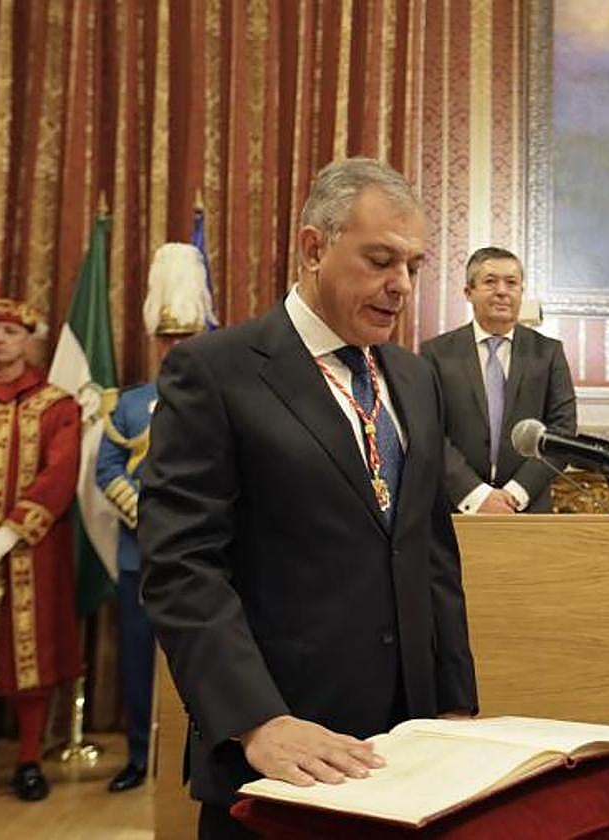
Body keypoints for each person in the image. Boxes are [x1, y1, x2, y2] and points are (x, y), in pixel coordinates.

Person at [138, 158, 477, 839]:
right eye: (380, 260)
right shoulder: (215, 371)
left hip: (408, 753)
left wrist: (455, 708)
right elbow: (182, 566)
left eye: (413, 266)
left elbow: (430, 555)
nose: (401, 285)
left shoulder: (415, 378)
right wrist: (256, 720)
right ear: (314, 248)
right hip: (279, 753)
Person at [0, 297, 82, 802]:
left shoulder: (55, 404)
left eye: (10, 332)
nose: (0, 339)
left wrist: (9, 533)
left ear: (28, 341)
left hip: (27, 551)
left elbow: (60, 472)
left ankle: (28, 759)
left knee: (29, 655)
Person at [96, 243, 213, 793]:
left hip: (205, 553)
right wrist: (148, 517)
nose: (176, 347)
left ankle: (199, 754)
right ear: (155, 340)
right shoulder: (128, 404)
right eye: (168, 337)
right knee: (139, 659)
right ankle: (140, 755)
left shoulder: (221, 398)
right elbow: (106, 468)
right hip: (138, 554)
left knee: (202, 658)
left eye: (185, 336)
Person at [420, 247, 577, 514]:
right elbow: (427, 431)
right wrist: (477, 496)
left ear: (521, 292)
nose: (502, 291)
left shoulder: (549, 352)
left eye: (511, 283)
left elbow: (562, 432)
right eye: (490, 282)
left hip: (528, 509)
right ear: (468, 292)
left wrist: (515, 494)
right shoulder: (435, 353)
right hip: (454, 508)